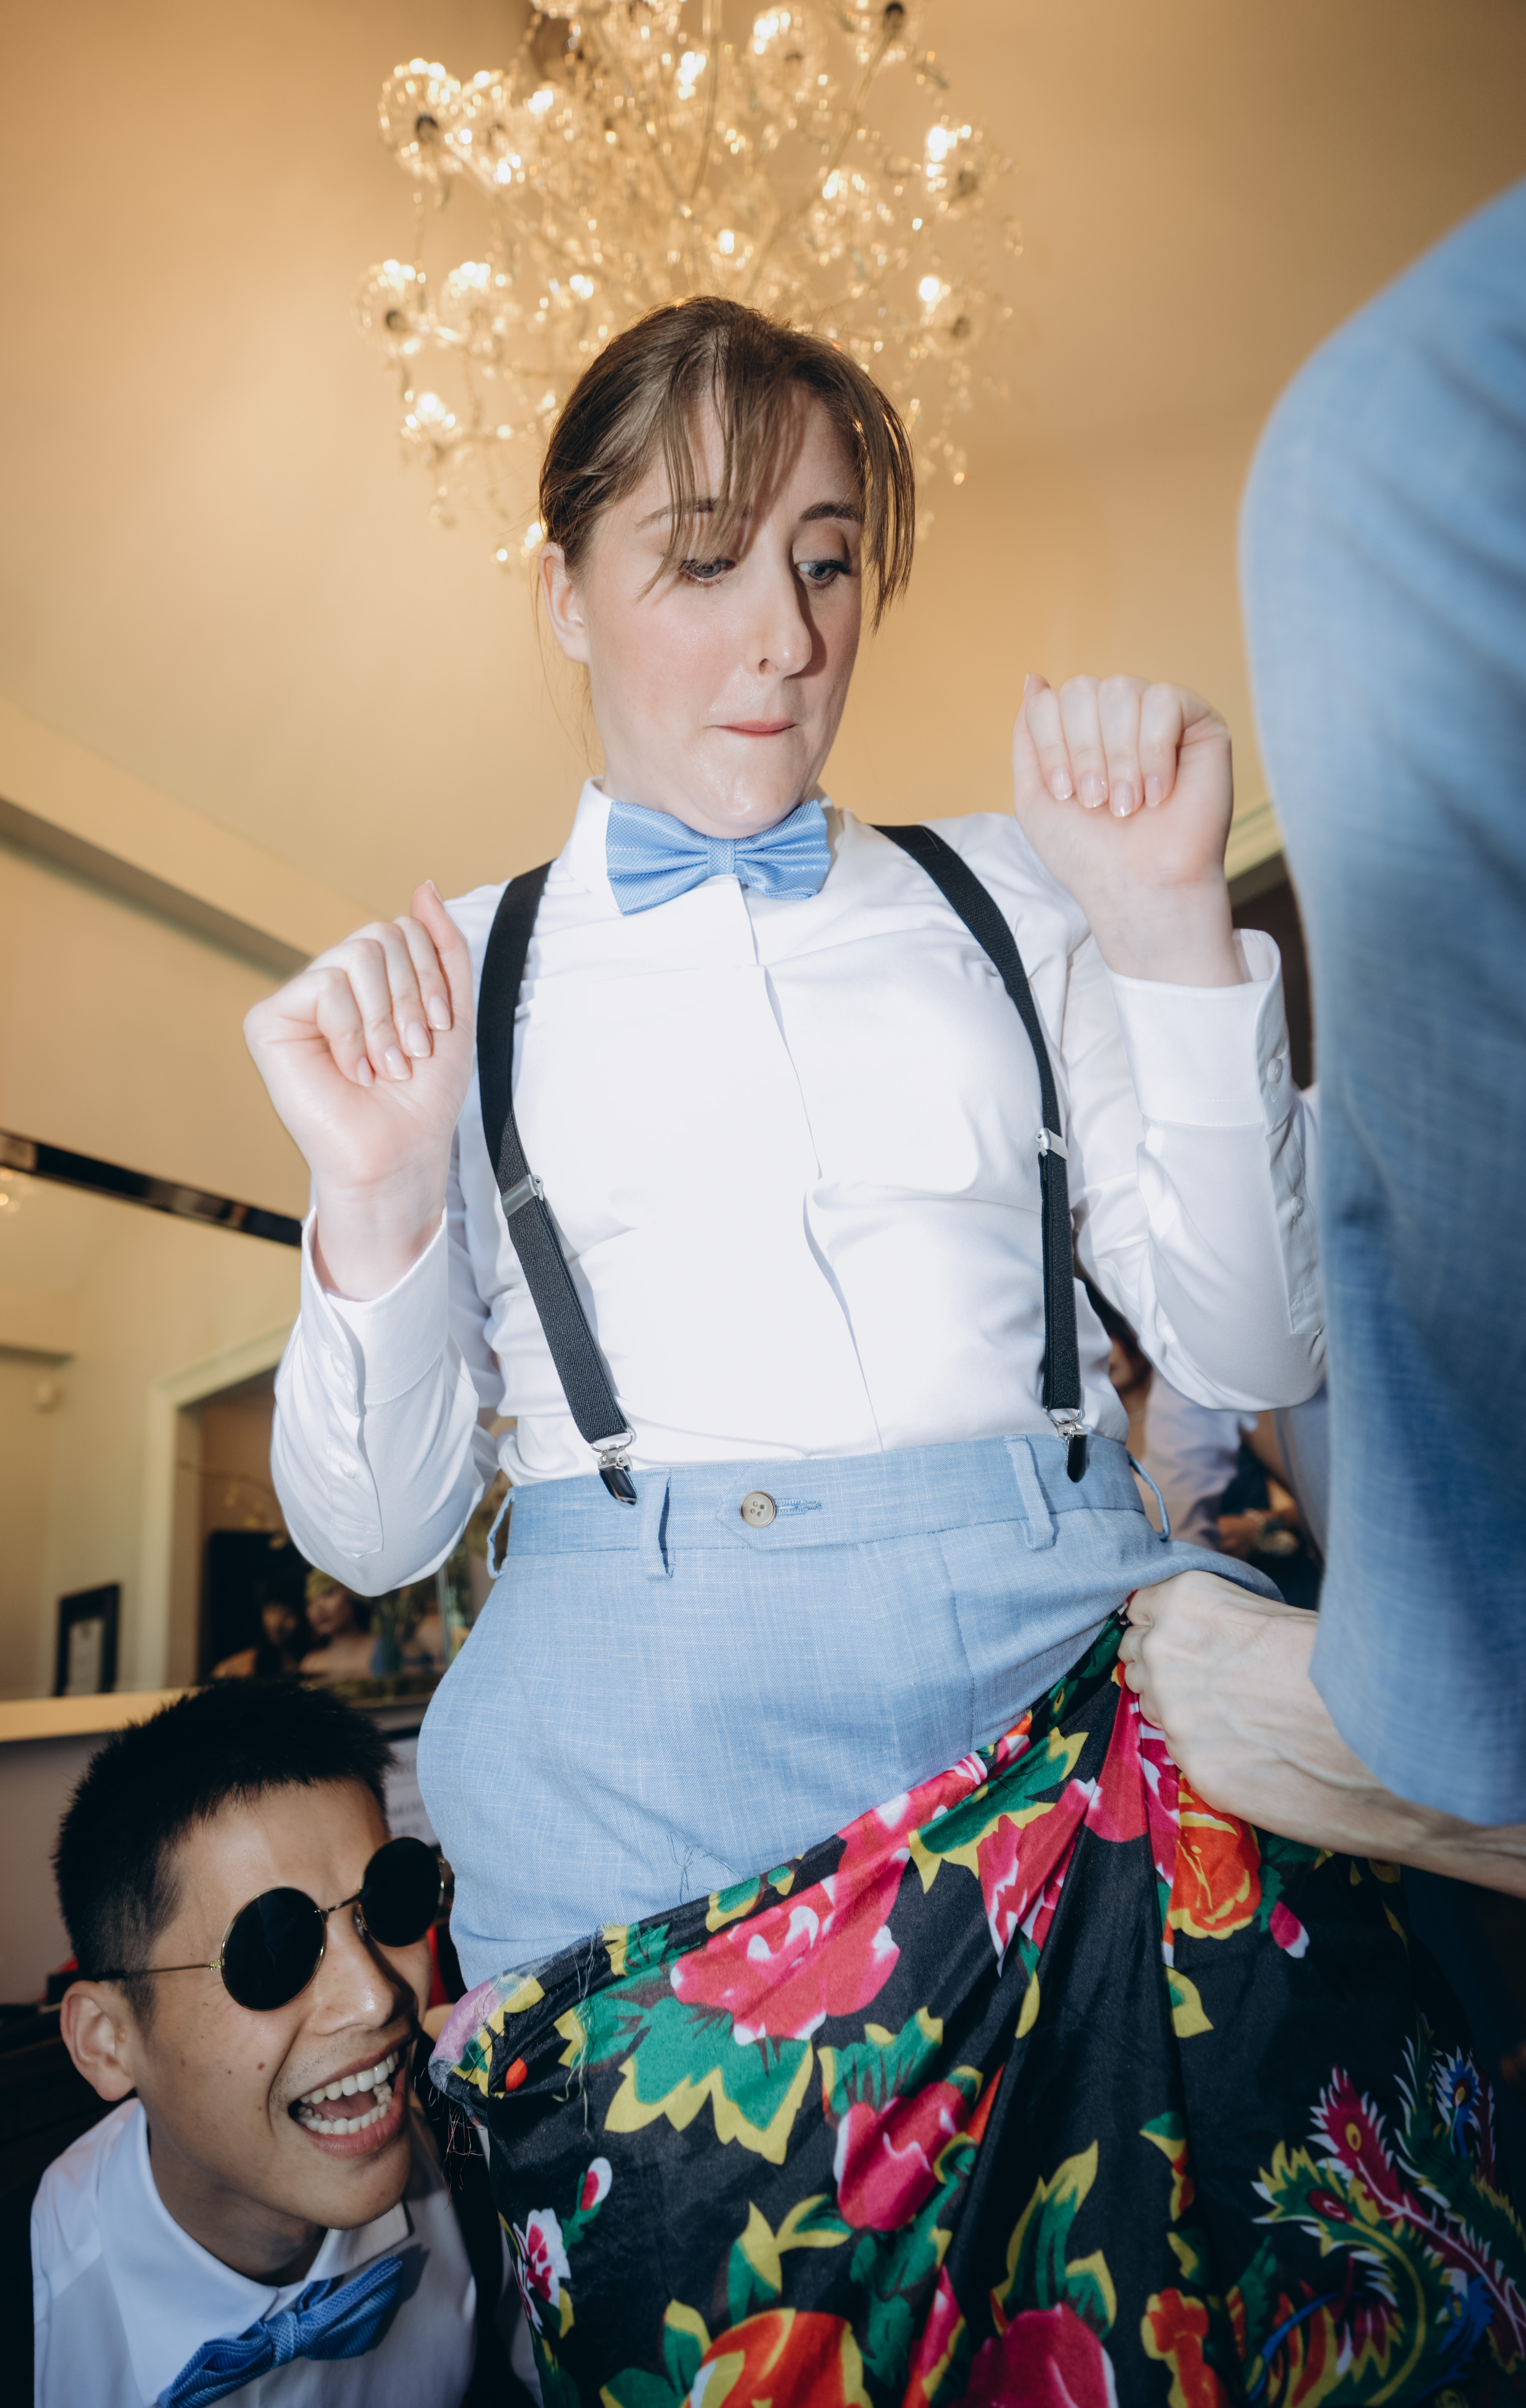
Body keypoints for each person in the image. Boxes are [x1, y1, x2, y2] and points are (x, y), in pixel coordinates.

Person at [247, 300, 1526, 2398]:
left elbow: (1243, 1332)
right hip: (644, 1803)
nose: (785, 637)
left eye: (826, 560)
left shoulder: (1017, 895)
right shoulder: (449, 980)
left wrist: (1165, 929)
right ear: (560, 590)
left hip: (1077, 1703)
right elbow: (375, 1533)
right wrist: (377, 1195)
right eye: (701, 560)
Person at [1122, 180, 1526, 1890]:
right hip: (1367, 1587)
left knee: (1376, 464)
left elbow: (1208, 1422)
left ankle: (1440, 1745)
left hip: (1409, 1639)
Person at [0, 1681, 533, 2406]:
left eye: (387, 1902)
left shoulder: (485, 2162)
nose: (375, 1996)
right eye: (271, 1951)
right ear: (109, 2041)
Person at [298, 1569, 375, 1682]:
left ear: (353, 1594)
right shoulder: (311, 1664)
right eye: (310, 1602)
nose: (318, 1607)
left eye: (328, 1594)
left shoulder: (386, 1651)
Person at [211, 1595, 304, 1682]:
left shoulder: (308, 1665)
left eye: (289, 1614)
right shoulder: (234, 1669)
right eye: (272, 1610)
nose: (277, 1624)